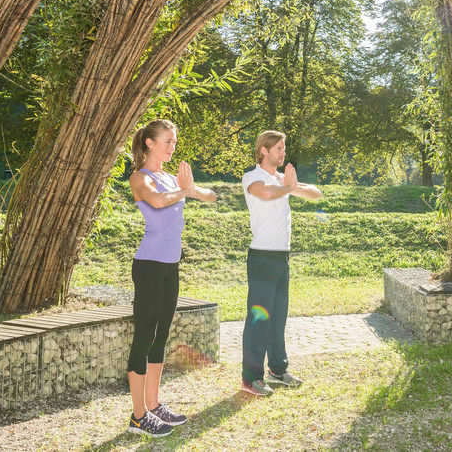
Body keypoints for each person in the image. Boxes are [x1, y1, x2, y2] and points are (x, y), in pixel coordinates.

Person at [125, 119, 217, 436]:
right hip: (149, 264)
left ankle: (152, 404)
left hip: (170, 265)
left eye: (175, 142)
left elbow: (211, 196)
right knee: (144, 336)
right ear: (149, 143)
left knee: (161, 335)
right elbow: (158, 201)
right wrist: (185, 190)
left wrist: (192, 189)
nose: (172, 147)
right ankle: (138, 416)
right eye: (167, 141)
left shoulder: (168, 178)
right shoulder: (141, 178)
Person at [239, 130, 322, 396]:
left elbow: (316, 193)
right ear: (264, 151)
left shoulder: (282, 179)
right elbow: (266, 194)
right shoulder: (253, 178)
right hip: (261, 257)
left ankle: (277, 369)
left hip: (281, 256)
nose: (283, 152)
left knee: (278, 317)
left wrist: (291, 185)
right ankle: (251, 378)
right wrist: (287, 187)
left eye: (284, 148)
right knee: (259, 319)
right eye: (278, 148)